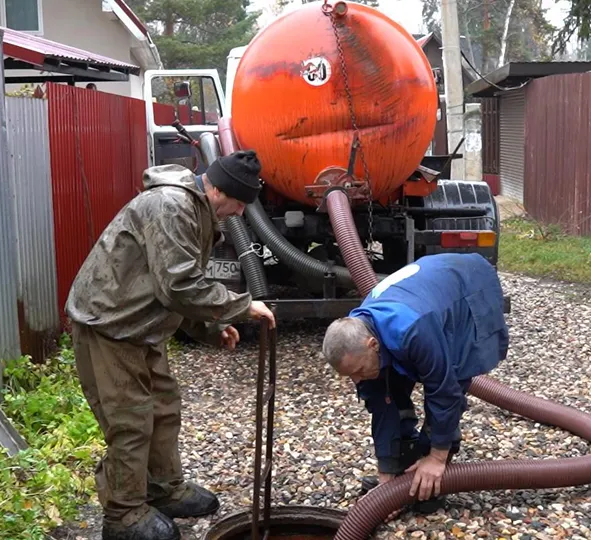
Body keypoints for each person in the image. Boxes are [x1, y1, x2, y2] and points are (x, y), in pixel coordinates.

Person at [66, 151, 277, 540]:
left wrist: (212, 330)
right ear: (216, 189)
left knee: (163, 408)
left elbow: (175, 283)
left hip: (141, 322)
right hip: (109, 324)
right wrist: (242, 306)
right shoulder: (170, 205)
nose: (240, 213)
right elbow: (178, 286)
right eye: (238, 203)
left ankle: (163, 489)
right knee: (129, 421)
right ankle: (124, 514)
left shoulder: (199, 211)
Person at [321, 252, 509, 512]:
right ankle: (406, 466)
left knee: (453, 372)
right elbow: (381, 402)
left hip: (467, 285)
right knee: (387, 387)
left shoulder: (414, 331)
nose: (356, 379)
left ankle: (434, 472)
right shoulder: (358, 335)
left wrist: (436, 456)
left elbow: (444, 392)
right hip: (423, 296)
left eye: (358, 370)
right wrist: (387, 471)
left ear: (373, 344)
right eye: (349, 375)